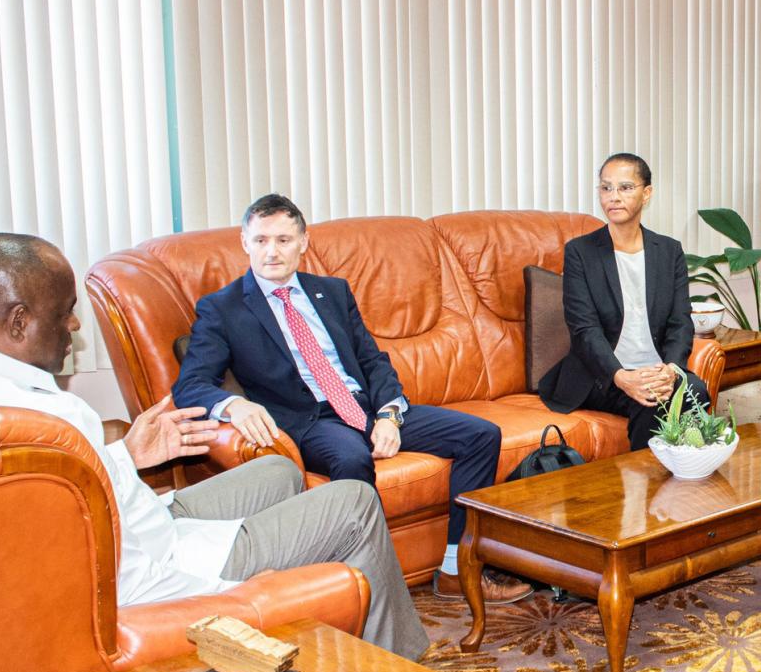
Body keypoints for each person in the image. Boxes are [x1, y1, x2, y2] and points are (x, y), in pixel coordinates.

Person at [0, 233, 489, 672]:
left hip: (144, 521)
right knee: (356, 503)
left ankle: (332, 624)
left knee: (280, 472)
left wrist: (125, 457)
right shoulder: (48, 415)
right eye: (65, 314)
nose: (73, 329)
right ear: (17, 321)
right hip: (158, 568)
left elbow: (69, 497)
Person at [172, 194, 531, 605]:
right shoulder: (223, 308)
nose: (272, 251)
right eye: (261, 240)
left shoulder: (332, 291)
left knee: (480, 434)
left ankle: (454, 568)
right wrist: (233, 405)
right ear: (244, 242)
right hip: (311, 421)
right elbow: (190, 385)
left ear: (304, 242)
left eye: (284, 240)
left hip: (363, 408)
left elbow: (371, 360)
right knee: (351, 458)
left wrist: (390, 416)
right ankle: (370, 589)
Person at [536, 152, 709, 450]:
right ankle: (643, 489)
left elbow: (680, 321)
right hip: (600, 376)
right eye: (606, 188)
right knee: (651, 399)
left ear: (647, 193)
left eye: (625, 188)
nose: (613, 197)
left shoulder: (668, 252)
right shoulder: (581, 252)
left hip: (655, 370)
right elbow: (583, 329)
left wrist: (671, 369)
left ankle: (679, 482)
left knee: (695, 389)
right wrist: (621, 376)